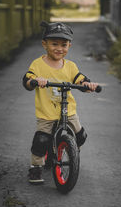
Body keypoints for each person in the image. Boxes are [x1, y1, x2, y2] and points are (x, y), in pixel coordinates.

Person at [23, 21, 98, 184]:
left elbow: (80, 79)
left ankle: (71, 152)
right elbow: (27, 80)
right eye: (54, 44)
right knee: (41, 140)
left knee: (80, 136)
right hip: (47, 111)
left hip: (68, 110)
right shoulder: (38, 64)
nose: (59, 48)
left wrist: (87, 84)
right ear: (45, 44)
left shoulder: (70, 66)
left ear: (69, 45)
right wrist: (35, 81)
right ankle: (36, 168)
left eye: (64, 44)